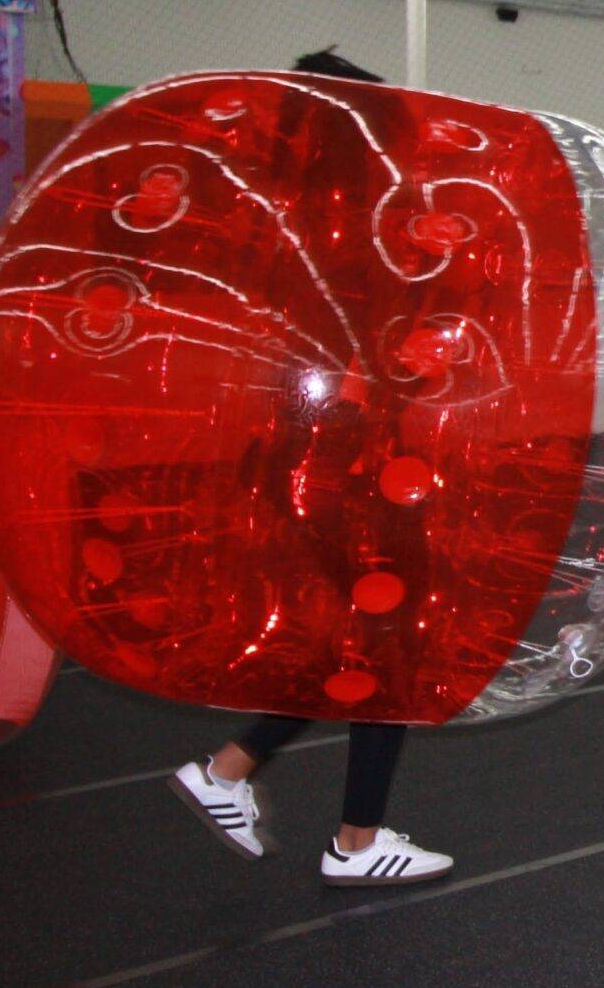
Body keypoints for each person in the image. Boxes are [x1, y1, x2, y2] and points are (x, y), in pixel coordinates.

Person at [169, 46, 451, 886]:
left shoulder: (284, 208)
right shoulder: (358, 216)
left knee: (360, 637)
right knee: (388, 643)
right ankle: (356, 842)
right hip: (347, 460)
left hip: (301, 454)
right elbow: (377, 347)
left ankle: (229, 769)